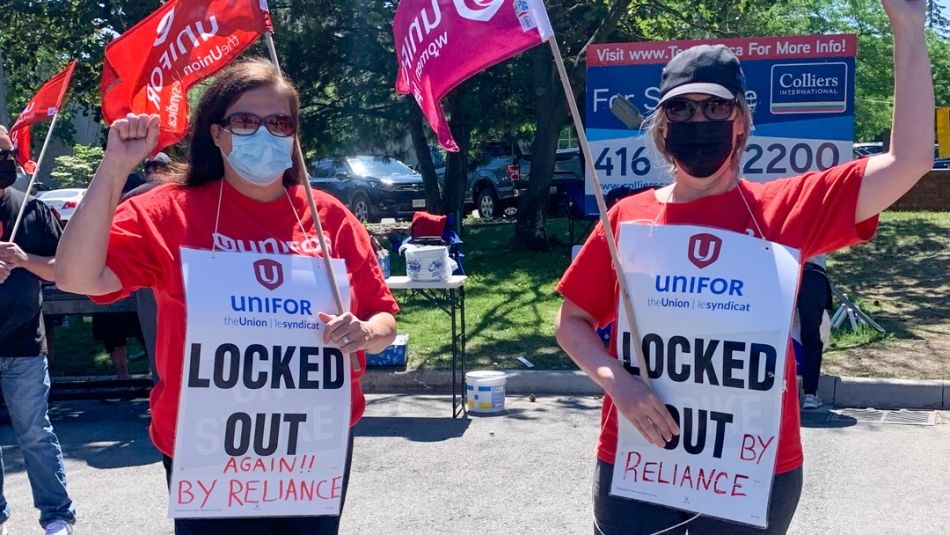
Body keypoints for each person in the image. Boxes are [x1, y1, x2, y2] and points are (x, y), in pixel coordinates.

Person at [554, 2, 933, 533]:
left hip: (752, 475)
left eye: (715, 108)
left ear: (741, 121)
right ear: (663, 128)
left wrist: (908, 24)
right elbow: (571, 323)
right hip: (637, 465)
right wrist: (620, 384)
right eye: (681, 111)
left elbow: (911, 159)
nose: (698, 123)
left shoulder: (788, 209)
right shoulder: (628, 219)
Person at [55, 58, 398, 534]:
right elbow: (74, 276)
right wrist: (114, 167)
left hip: (314, 443)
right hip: (207, 447)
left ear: (295, 135)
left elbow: (384, 320)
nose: (264, 133)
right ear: (216, 133)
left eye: (279, 123)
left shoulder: (328, 218)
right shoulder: (167, 212)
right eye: (245, 121)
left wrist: (365, 333)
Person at [0, 126, 76, 534]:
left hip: (25, 345)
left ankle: (57, 515)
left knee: (35, 434)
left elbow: (62, 271)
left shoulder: (31, 209)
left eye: (7, 153)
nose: (6, 163)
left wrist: (25, 260)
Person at [797, 255, 832, 409]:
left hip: (796, 270)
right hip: (808, 273)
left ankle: (810, 392)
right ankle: (810, 393)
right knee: (810, 335)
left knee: (809, 334)